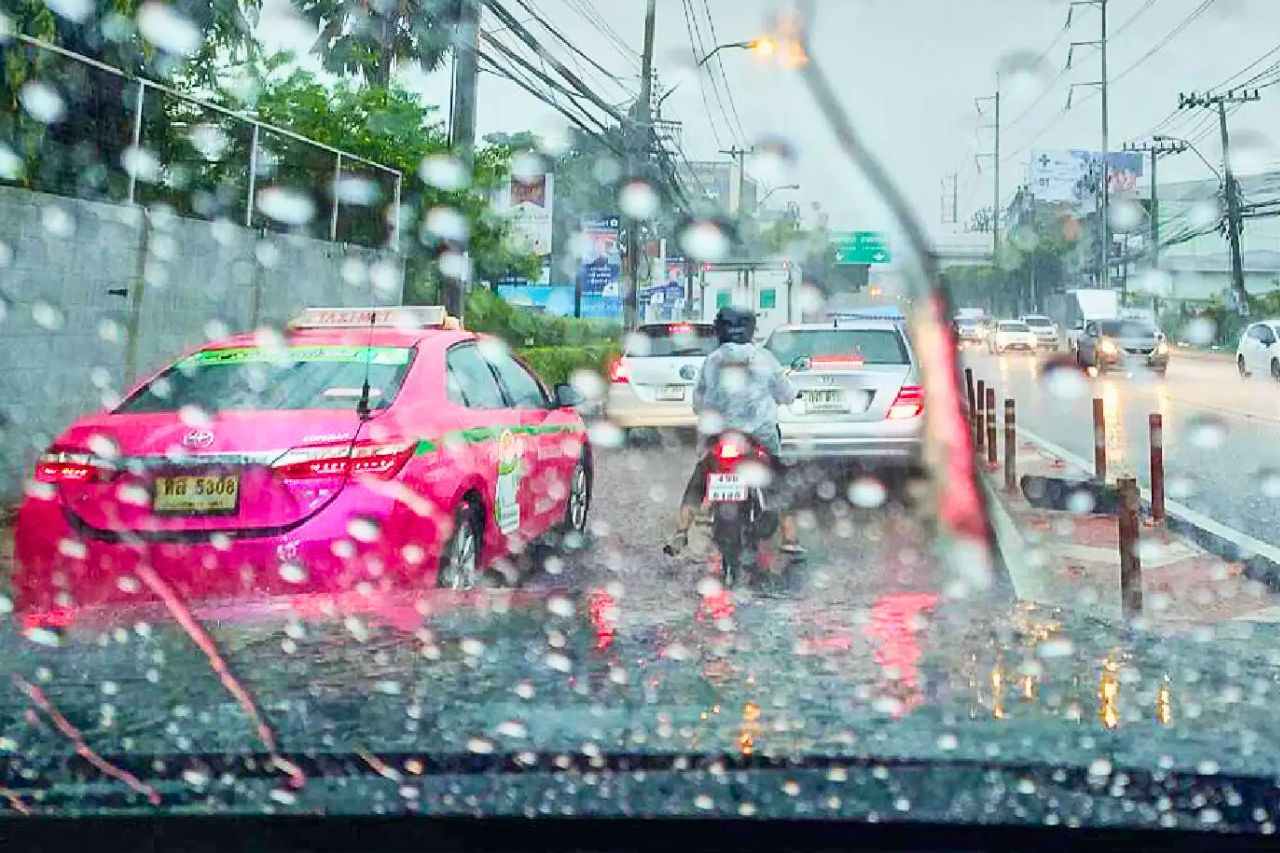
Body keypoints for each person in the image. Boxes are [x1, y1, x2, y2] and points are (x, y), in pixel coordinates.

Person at [664, 305, 802, 556]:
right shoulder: (765, 358)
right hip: (760, 435)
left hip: (717, 435)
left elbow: (698, 402)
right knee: (779, 481)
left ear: (720, 330)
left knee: (699, 480)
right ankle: (790, 538)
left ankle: (681, 532)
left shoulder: (712, 360)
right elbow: (787, 393)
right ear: (750, 330)